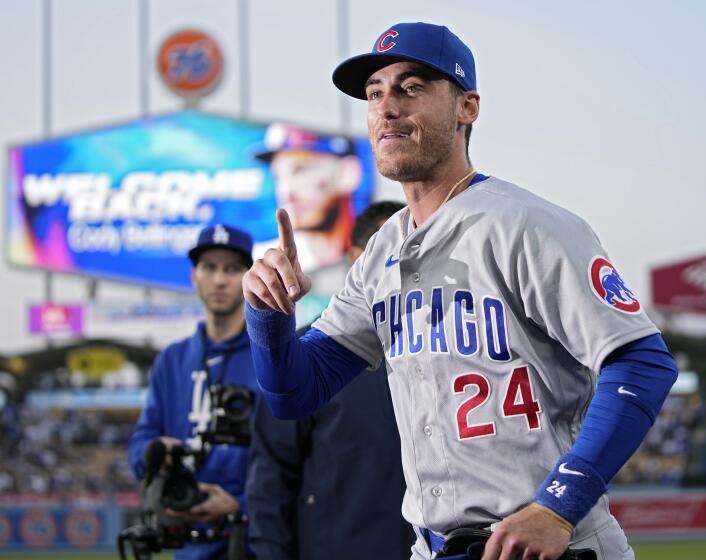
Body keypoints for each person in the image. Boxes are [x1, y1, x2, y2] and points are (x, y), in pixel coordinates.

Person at [242, 22, 678, 560]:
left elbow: (642, 364)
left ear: (467, 106)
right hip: (433, 547)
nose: (387, 108)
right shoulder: (379, 253)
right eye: (375, 93)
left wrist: (560, 506)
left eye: (411, 87)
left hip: (550, 544)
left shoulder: (525, 224)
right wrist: (268, 316)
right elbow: (295, 393)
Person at [246, 200, 414, 560]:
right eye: (386, 249)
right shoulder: (310, 353)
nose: (401, 262)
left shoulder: (448, 348)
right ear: (357, 258)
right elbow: (271, 477)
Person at [129, 224, 260, 560]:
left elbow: (292, 458)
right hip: (186, 543)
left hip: (253, 540)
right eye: (209, 267)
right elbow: (141, 444)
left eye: (232, 269)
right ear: (194, 276)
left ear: (249, 276)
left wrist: (241, 504)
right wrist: (155, 453)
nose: (219, 280)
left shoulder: (270, 356)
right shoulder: (171, 360)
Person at [252, 123, 366, 277]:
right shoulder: (261, 265)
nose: (286, 192)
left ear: (348, 173)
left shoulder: (381, 251)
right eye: (278, 176)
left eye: (300, 169)